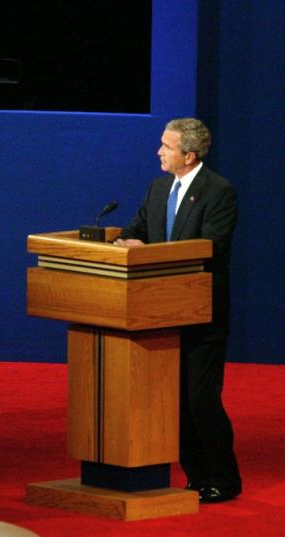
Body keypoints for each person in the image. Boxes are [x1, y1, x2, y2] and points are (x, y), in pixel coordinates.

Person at [115, 117, 241, 503]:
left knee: (200, 397)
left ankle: (224, 477)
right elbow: (136, 230)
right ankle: (196, 476)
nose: (159, 152)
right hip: (160, 313)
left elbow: (210, 247)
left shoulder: (219, 192)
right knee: (175, 400)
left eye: (166, 147)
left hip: (201, 312)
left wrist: (148, 252)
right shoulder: (158, 189)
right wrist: (121, 242)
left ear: (189, 155)